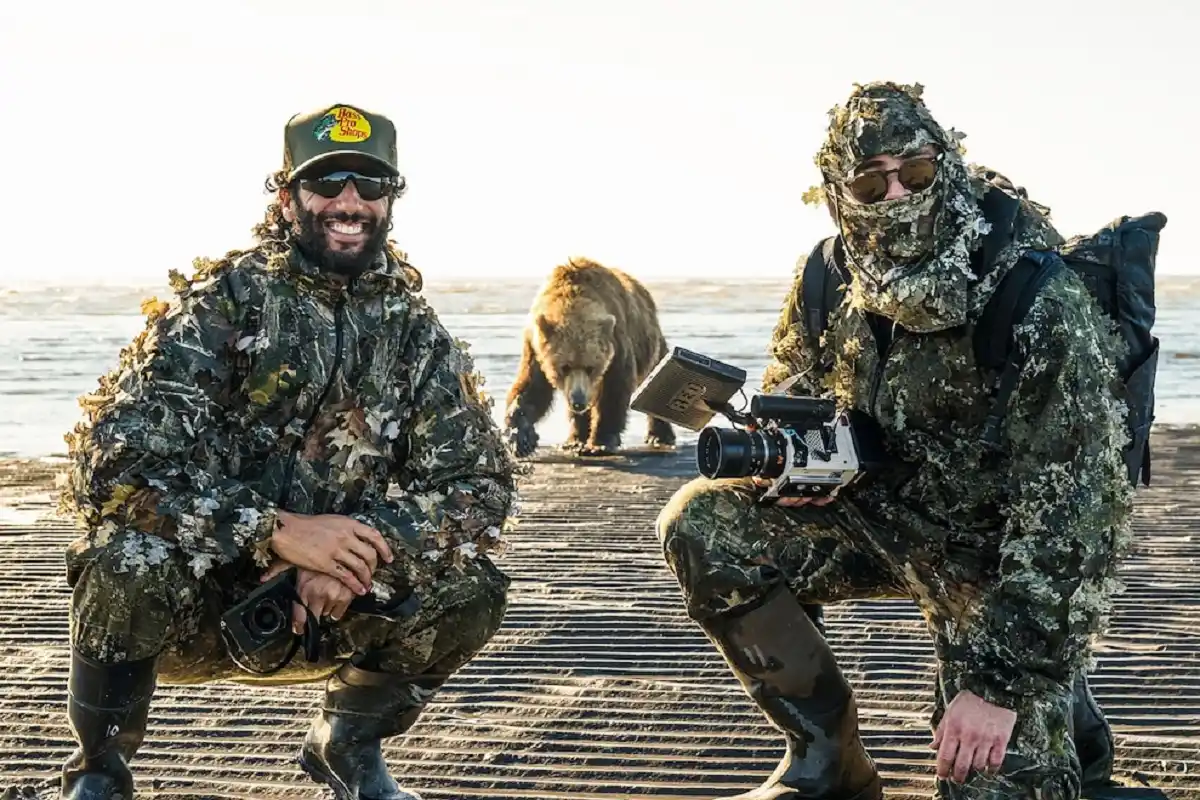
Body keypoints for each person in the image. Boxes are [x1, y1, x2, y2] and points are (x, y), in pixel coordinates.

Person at [655, 82, 1134, 800]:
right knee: (701, 522)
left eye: (915, 175)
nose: (895, 198)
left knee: (986, 779)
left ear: (948, 165)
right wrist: (786, 455)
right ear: (837, 191)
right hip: (872, 514)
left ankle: (1066, 713)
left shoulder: (1034, 295)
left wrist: (999, 685)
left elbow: (1073, 518)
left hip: (992, 554)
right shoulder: (828, 274)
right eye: (868, 183)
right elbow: (799, 384)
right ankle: (826, 762)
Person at [56, 103, 520, 800]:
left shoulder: (415, 330)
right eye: (328, 180)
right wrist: (277, 534)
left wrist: (353, 553)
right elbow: (115, 468)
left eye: (371, 185)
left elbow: (479, 485)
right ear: (286, 196)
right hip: (203, 598)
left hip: (331, 606)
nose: (349, 202)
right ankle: (97, 772)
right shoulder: (223, 303)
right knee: (128, 560)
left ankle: (347, 747)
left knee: (473, 588)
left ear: (392, 199)